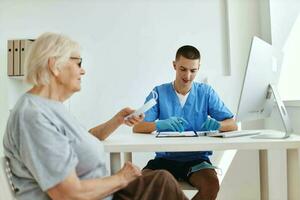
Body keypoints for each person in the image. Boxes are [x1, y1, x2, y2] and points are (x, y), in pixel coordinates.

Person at [3, 32, 188, 200]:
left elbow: (82, 140)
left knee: (161, 181)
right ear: (54, 66)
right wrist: (121, 178)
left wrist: (118, 120)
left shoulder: (51, 108)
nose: (82, 71)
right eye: (78, 63)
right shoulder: (33, 116)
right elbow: (67, 193)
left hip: (104, 193)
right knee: (162, 184)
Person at [133, 45, 238, 200]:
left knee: (211, 184)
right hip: (164, 160)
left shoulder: (206, 93)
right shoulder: (159, 93)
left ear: (198, 68)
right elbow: (137, 126)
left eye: (193, 70)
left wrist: (219, 125)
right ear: (174, 65)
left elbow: (233, 124)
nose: (187, 75)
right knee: (142, 183)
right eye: (182, 69)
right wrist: (159, 125)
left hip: (196, 160)